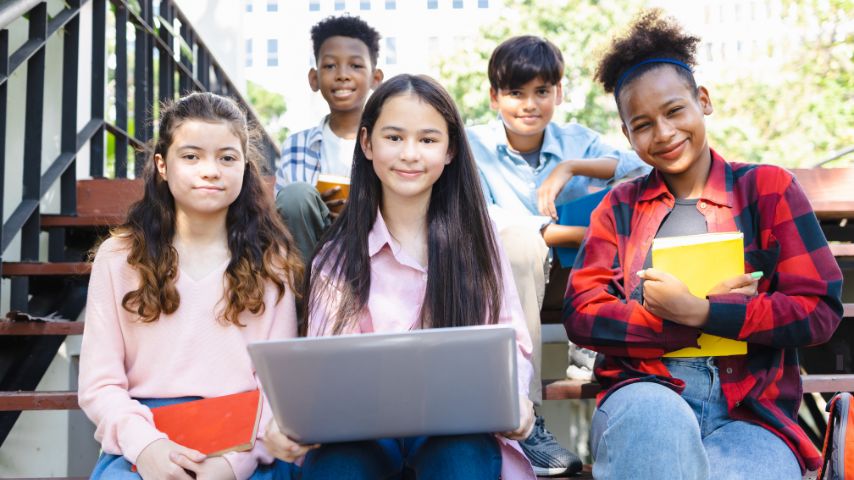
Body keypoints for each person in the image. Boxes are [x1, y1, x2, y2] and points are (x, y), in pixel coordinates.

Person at [564, 10, 843, 479]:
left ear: (703, 101)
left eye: (675, 111)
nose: (665, 133)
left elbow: (817, 309)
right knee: (656, 427)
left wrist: (704, 313)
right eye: (644, 124)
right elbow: (583, 312)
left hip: (751, 413)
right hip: (646, 391)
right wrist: (671, 318)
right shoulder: (618, 207)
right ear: (627, 135)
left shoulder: (768, 189)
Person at [264, 74, 538, 479]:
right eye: (394, 138)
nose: (410, 154)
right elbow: (327, 366)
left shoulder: (479, 245)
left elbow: (510, 339)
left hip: (457, 427)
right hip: (361, 435)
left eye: (428, 140)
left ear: (450, 151)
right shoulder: (337, 258)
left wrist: (516, 400)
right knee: (339, 466)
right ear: (367, 144)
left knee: (461, 459)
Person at [78, 92, 308, 480]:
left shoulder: (272, 261)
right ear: (162, 165)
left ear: (245, 168)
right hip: (147, 436)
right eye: (191, 156)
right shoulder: (119, 258)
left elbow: (277, 390)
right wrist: (147, 447)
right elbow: (100, 385)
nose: (210, 170)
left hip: (245, 443)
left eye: (227, 157)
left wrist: (233, 464)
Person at [467, 34, 648, 476]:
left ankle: (618, 365)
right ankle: (524, 417)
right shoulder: (473, 146)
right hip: (509, 272)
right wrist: (563, 232)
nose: (529, 104)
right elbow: (481, 216)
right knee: (519, 240)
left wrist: (573, 167)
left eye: (542, 92)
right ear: (494, 97)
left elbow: (643, 164)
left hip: (574, 275)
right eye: (515, 93)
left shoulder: (575, 140)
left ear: (559, 94)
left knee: (634, 220)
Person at [274, 14, 384, 262]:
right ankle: (307, 299)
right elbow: (285, 214)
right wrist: (314, 206)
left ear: (376, 78)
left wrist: (359, 207)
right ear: (314, 79)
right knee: (297, 196)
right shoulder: (296, 145)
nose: (342, 75)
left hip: (373, 253)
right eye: (330, 66)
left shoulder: (389, 141)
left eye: (355, 66)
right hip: (312, 254)